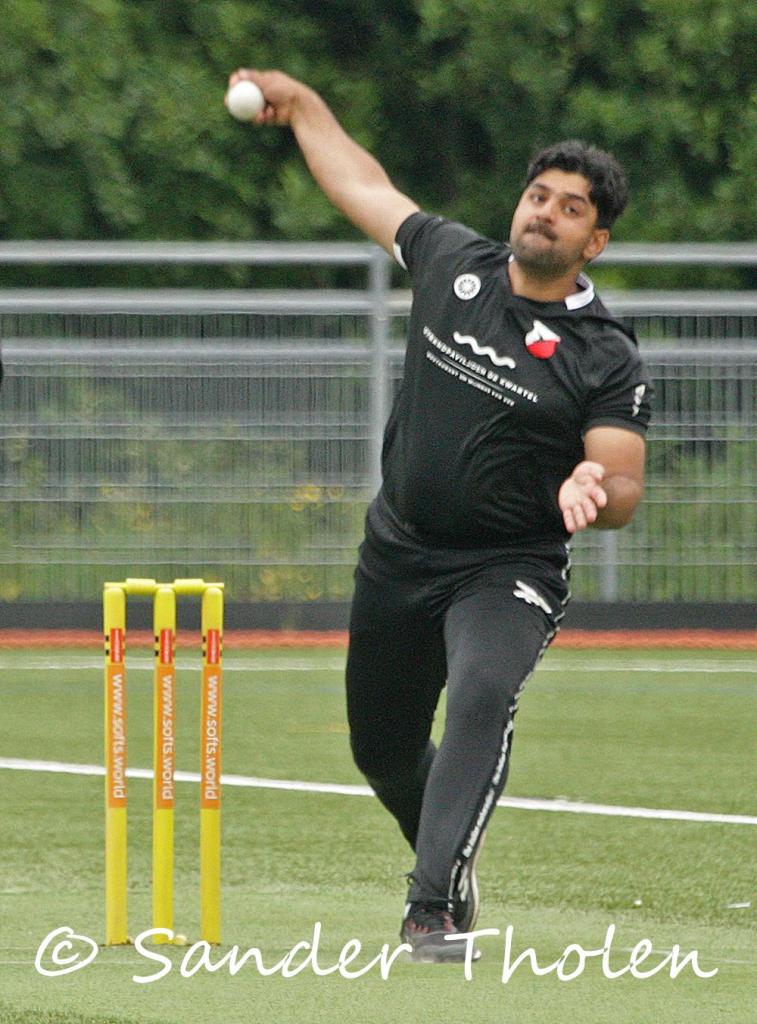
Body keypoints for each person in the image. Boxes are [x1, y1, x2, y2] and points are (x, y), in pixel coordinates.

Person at [228, 69, 652, 963]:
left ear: (594, 241)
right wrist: (303, 106)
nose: (544, 213)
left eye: (569, 208)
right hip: (398, 550)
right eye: (538, 195)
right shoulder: (452, 261)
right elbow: (363, 184)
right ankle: (447, 859)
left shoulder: (603, 352)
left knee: (481, 693)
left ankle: (431, 908)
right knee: (381, 751)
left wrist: (594, 487)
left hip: (507, 568)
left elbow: (619, 484)